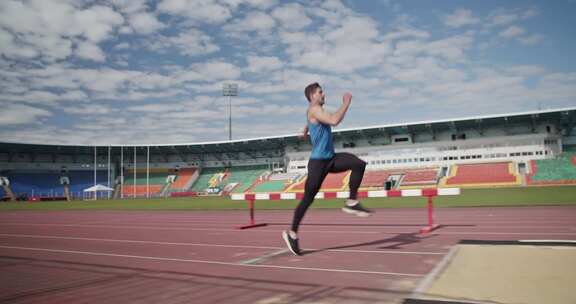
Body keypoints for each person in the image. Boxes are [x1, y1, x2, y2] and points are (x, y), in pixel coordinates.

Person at [283, 82, 372, 256]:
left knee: (358, 164)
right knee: (308, 199)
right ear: (312, 96)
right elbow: (334, 120)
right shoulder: (315, 109)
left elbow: (312, 120)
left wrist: (305, 130)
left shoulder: (313, 111)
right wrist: (346, 102)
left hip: (330, 159)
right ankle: (292, 234)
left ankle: (351, 202)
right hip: (318, 164)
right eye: (320, 92)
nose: (324, 94)